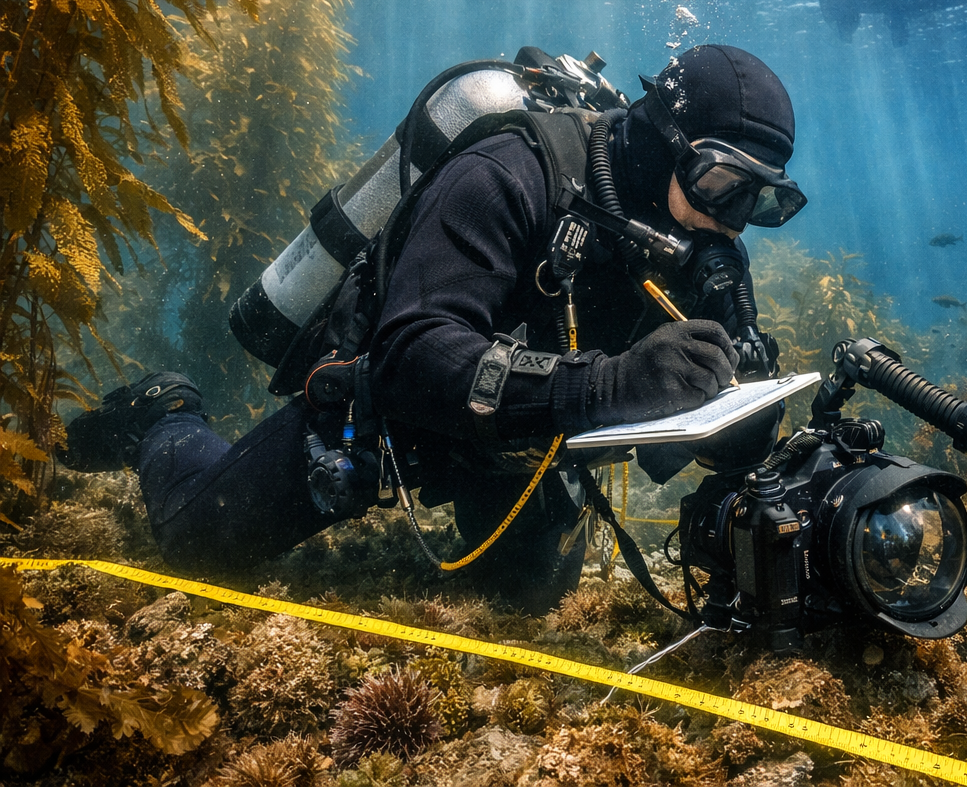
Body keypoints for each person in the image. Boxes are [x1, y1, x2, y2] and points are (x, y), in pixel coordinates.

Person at [63, 45, 807, 613]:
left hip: (510, 442)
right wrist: (613, 385)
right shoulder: (510, 174)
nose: (735, 220)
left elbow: (679, 415)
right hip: (386, 416)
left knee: (529, 591)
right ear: (664, 141)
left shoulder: (701, 245)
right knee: (199, 543)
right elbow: (410, 353)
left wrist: (732, 433)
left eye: (763, 200)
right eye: (722, 182)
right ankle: (165, 412)